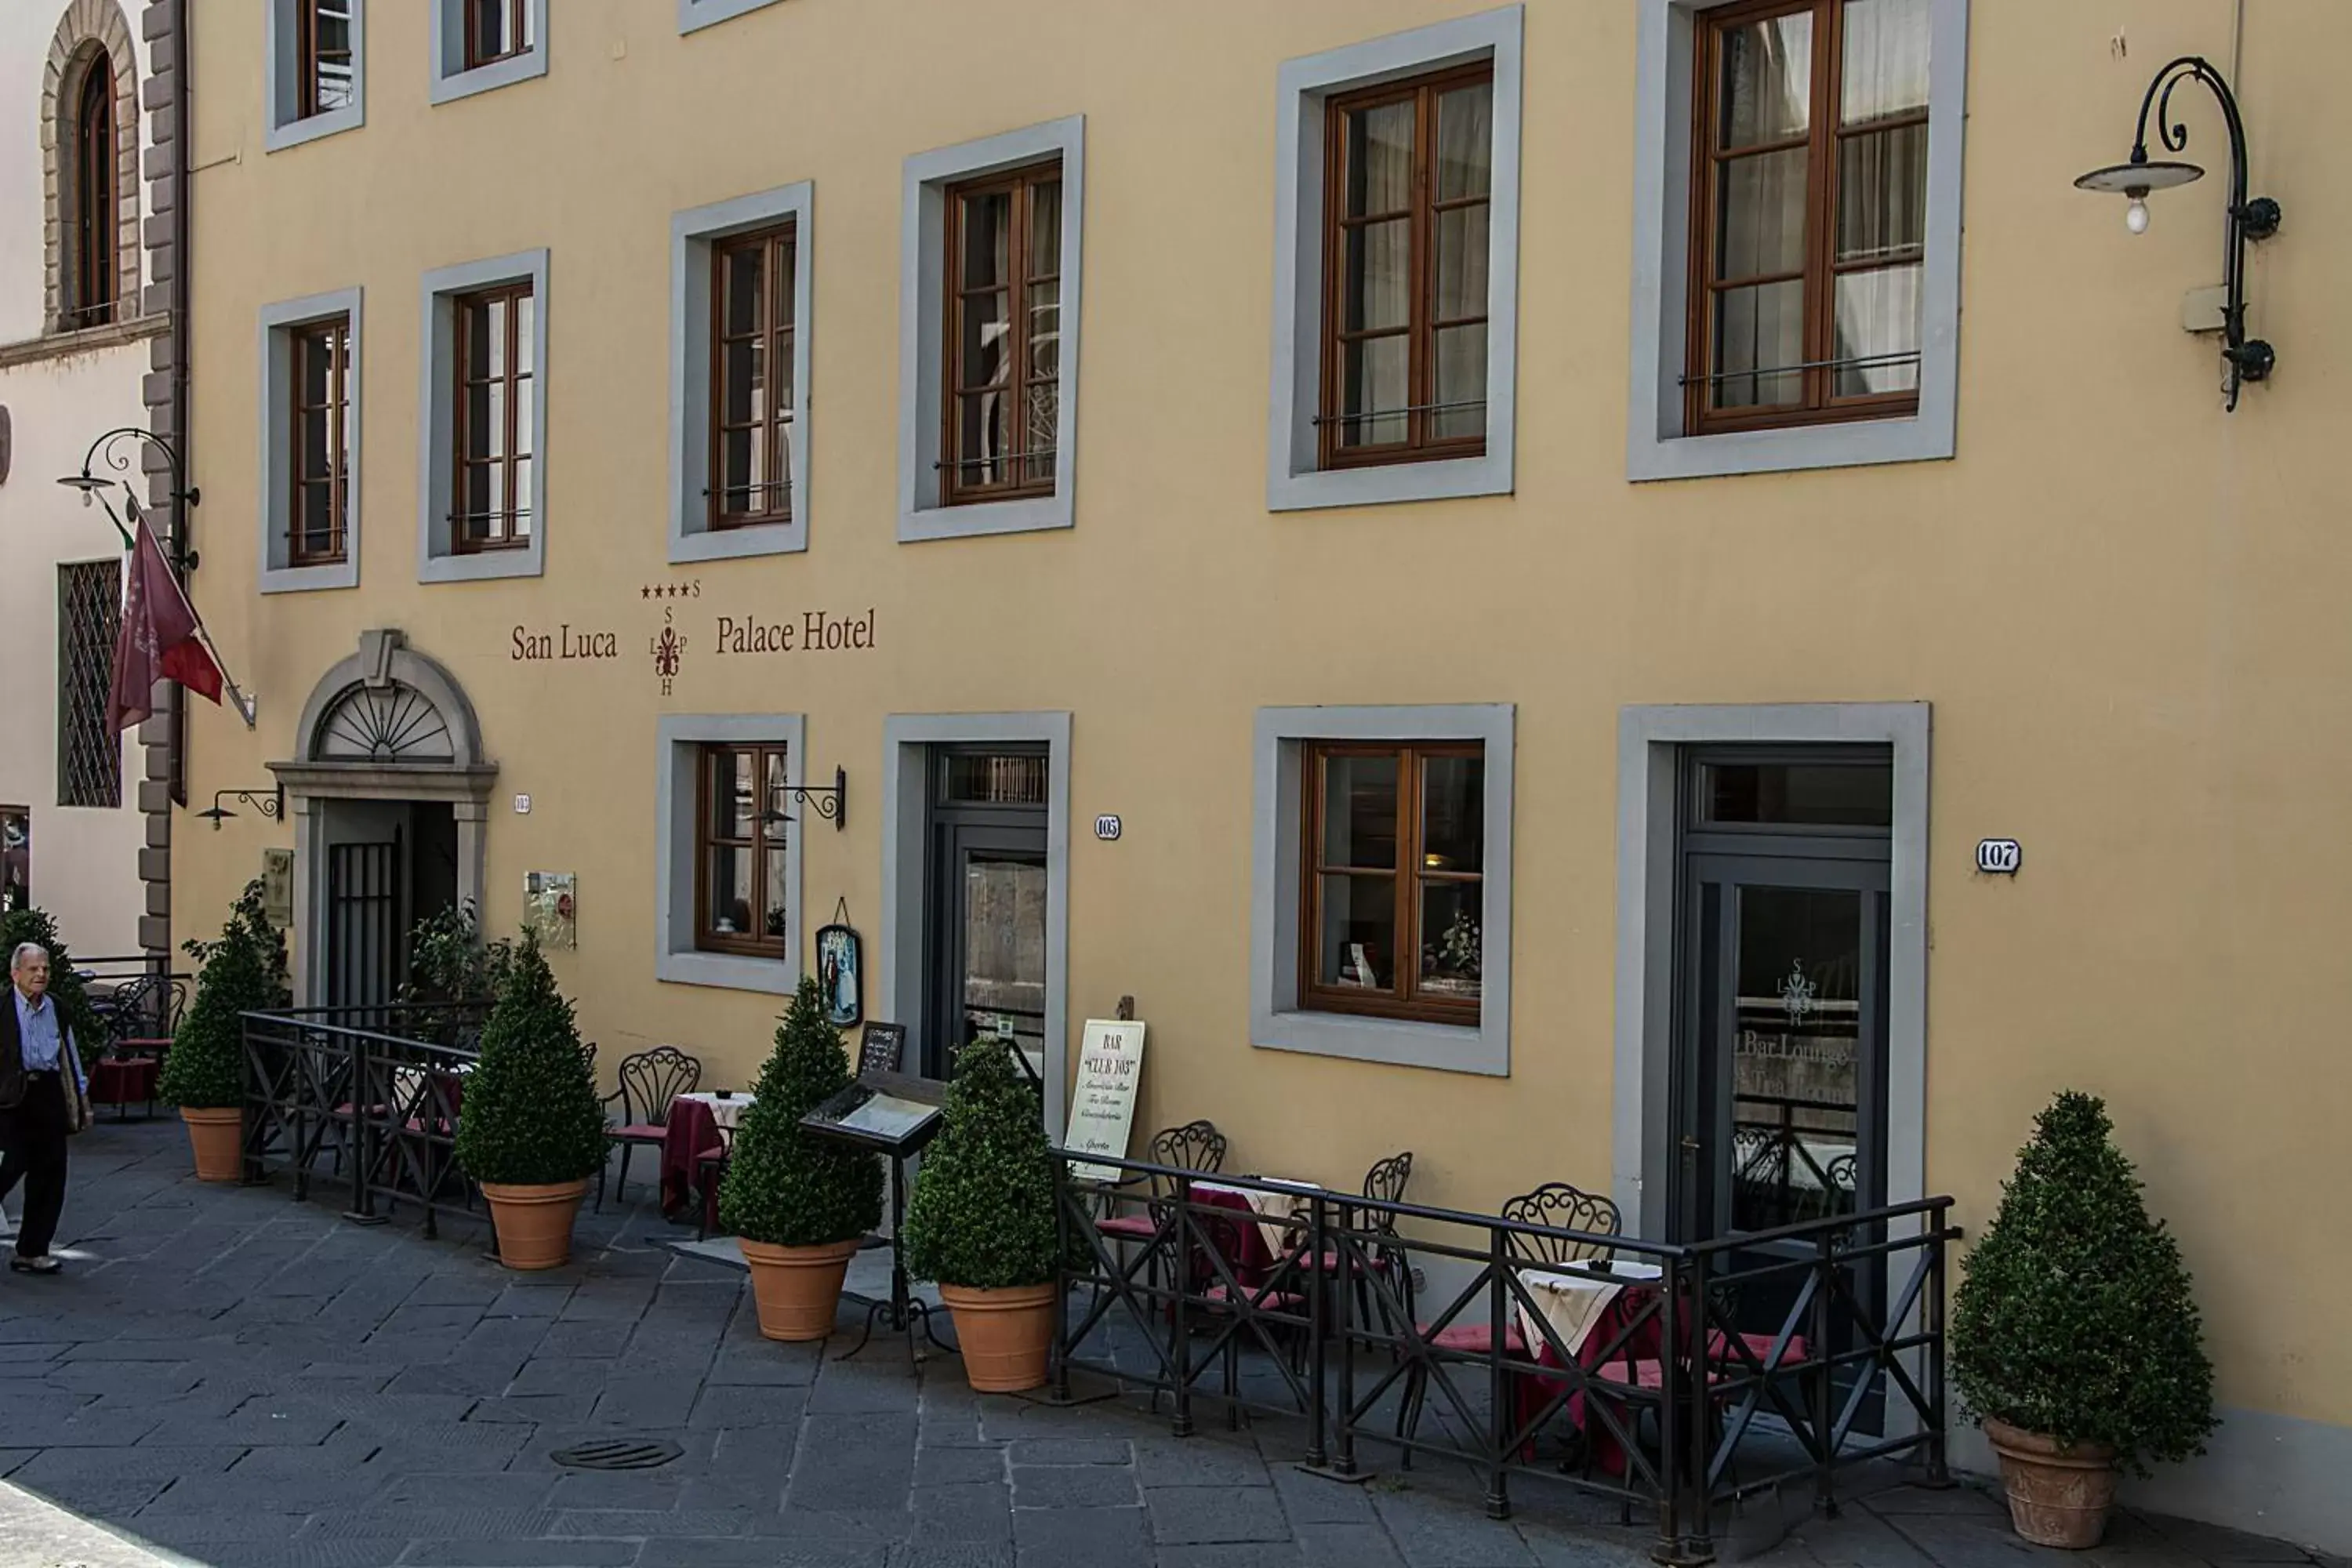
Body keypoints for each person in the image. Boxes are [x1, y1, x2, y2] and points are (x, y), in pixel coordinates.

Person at [0, 942, 87, 1274]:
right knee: (8, 1167)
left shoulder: (57, 1008)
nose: (41, 975)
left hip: (48, 1094)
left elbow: (69, 1052)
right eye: (34, 969)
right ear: (16, 973)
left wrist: (80, 1097)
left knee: (50, 1174)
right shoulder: (3, 1007)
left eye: (45, 969)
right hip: (11, 1098)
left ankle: (32, 1250)